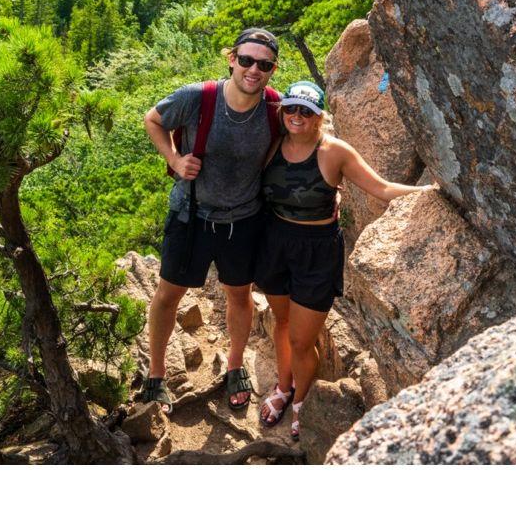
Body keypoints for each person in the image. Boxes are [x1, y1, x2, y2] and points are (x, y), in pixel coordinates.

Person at [254, 79, 437, 442]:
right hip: (274, 244)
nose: (297, 116)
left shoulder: (334, 152)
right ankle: (284, 386)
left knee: (303, 341)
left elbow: (381, 188)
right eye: (291, 108)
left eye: (306, 110)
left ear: (319, 116)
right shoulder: (272, 143)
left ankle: (303, 402)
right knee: (281, 322)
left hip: (317, 251)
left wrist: (432, 190)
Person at [139, 28, 283, 413]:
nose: (254, 69)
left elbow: (307, 137)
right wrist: (174, 159)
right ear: (232, 59)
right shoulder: (197, 98)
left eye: (264, 64)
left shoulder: (276, 109)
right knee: (169, 295)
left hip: (244, 219)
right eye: (247, 60)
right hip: (191, 214)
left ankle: (234, 366)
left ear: (272, 69)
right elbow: (153, 120)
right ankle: (155, 377)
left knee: (238, 294)